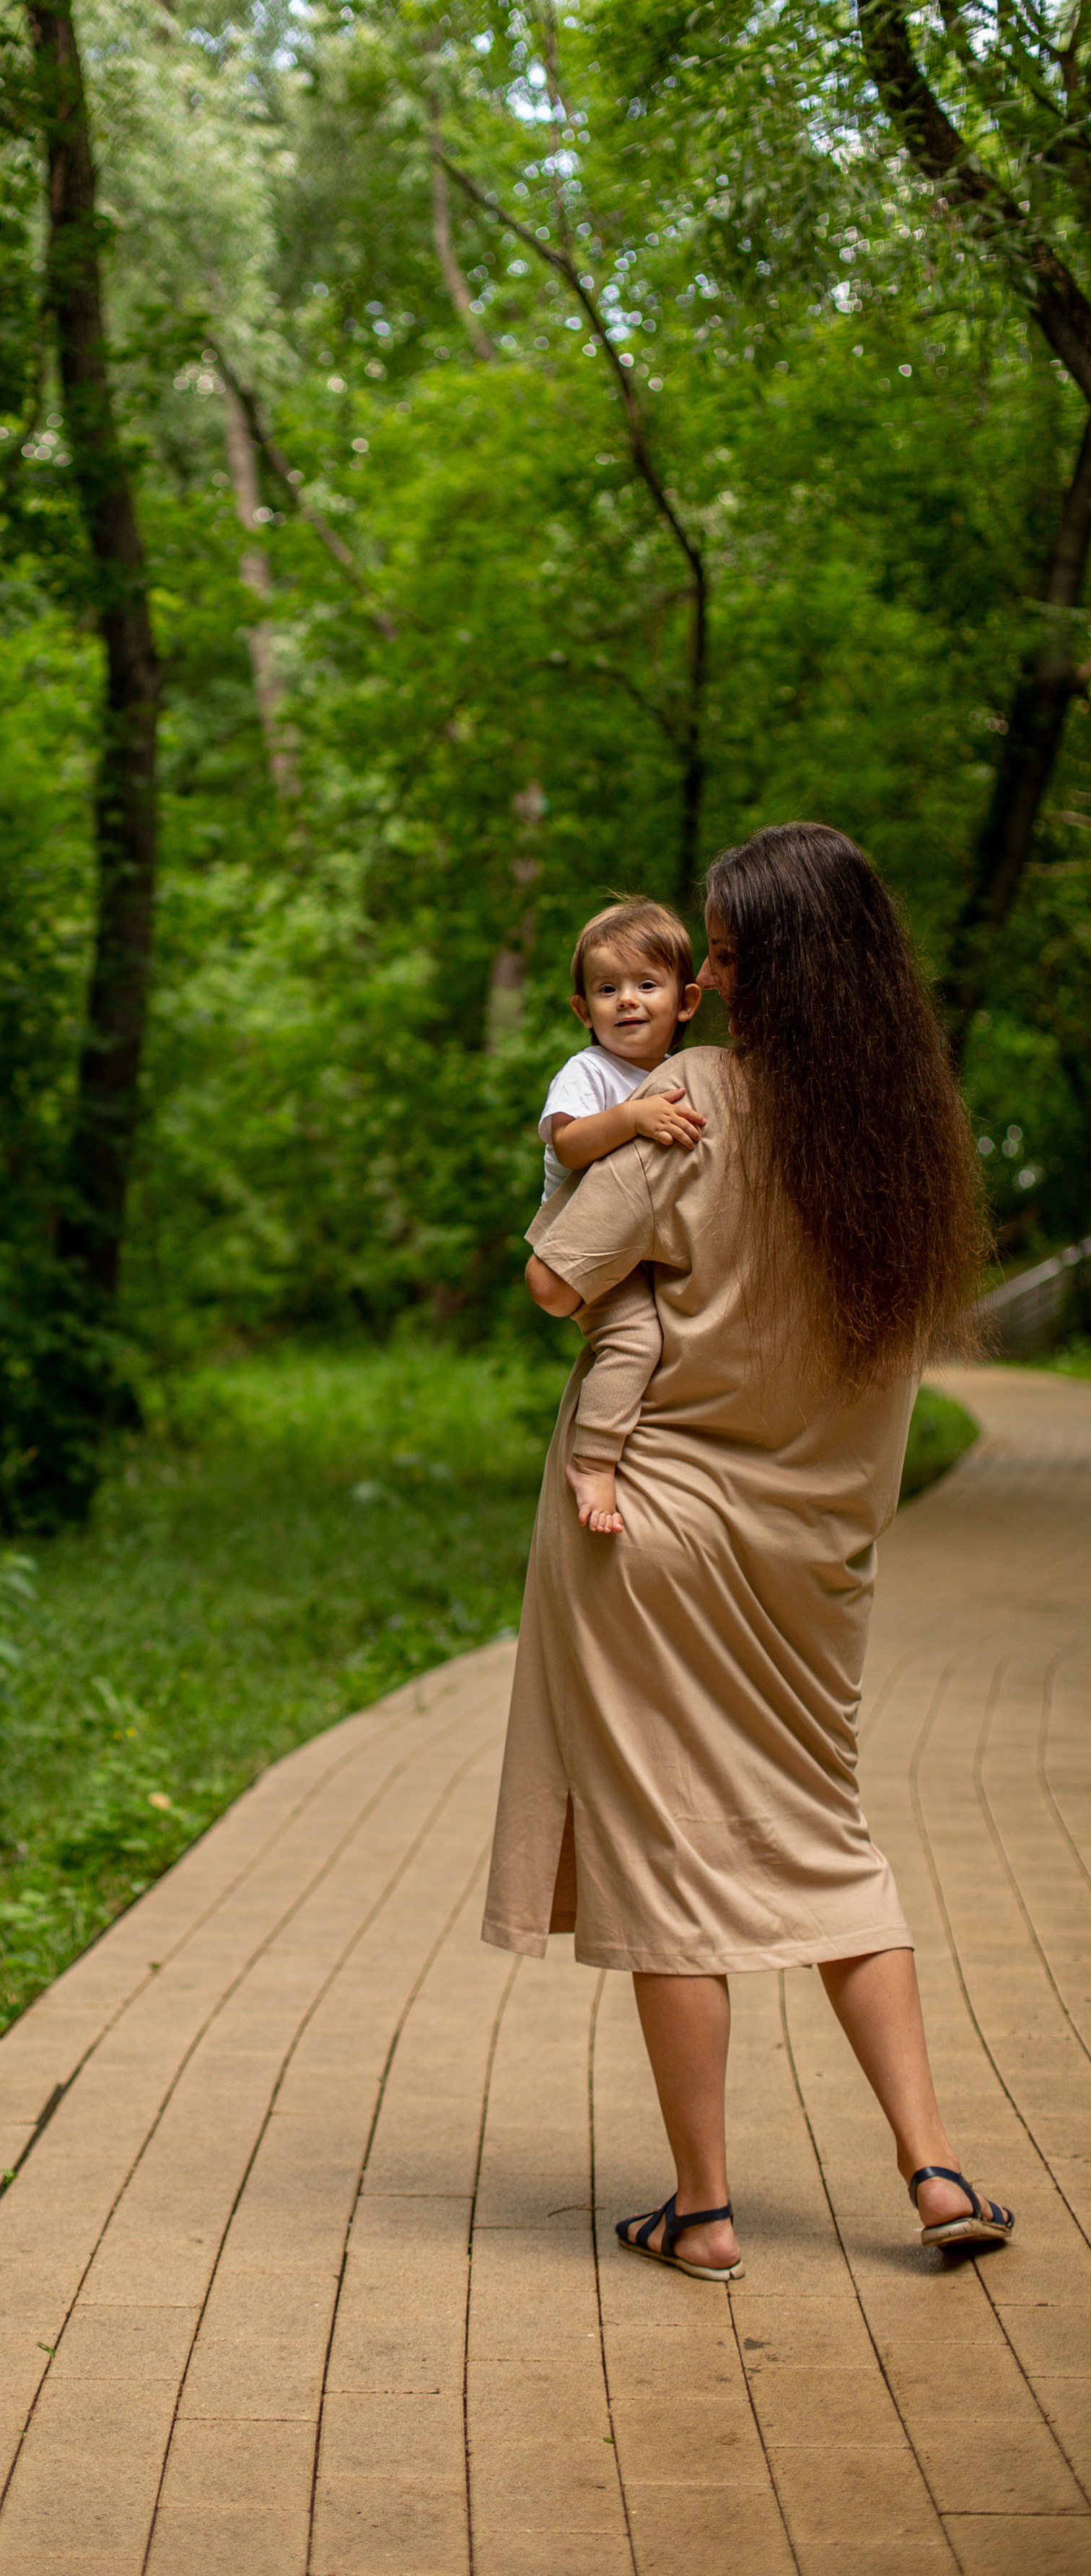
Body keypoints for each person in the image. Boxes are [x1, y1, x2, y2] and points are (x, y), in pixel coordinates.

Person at [483, 821, 1011, 2281]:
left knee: (665, 1864)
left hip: (641, 1536)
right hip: (812, 1559)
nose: (698, 975)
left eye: (719, 951)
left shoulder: (688, 1100)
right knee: (828, 1845)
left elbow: (548, 1273)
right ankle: (932, 2171)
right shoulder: (905, 1143)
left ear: (771, 970)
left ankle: (704, 2212)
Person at [533, 900, 705, 1539]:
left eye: (646, 985)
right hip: (577, 1242)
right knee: (636, 1340)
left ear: (685, 1002)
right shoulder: (589, 1072)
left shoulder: (678, 1075)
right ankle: (594, 1460)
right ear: (584, 1010)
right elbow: (569, 1145)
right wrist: (632, 1118)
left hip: (639, 1243)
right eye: (608, 989)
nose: (627, 1001)